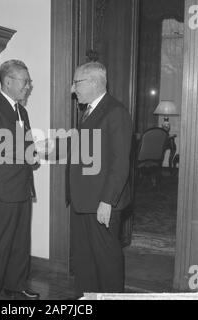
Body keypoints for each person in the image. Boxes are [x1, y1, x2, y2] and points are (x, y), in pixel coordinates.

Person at [0, 59, 40, 300]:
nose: (29, 86)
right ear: (8, 81)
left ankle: (16, 285)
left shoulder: (21, 110)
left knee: (20, 243)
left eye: (28, 82)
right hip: (0, 192)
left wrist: (34, 152)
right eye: (25, 82)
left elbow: (25, 143)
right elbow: (2, 147)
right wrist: (35, 151)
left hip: (21, 188)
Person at [67, 61, 132, 296]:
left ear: (93, 82)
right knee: (85, 259)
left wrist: (107, 200)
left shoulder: (115, 111)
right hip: (83, 200)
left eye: (76, 83)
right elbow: (90, 150)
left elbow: (120, 162)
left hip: (101, 203)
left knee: (107, 260)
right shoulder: (89, 110)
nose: (72, 89)